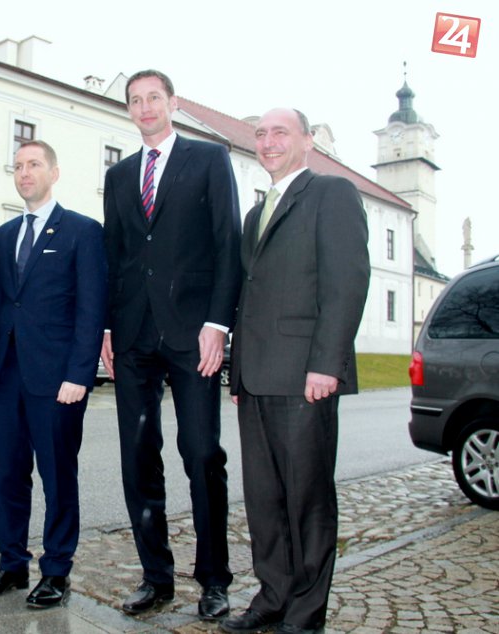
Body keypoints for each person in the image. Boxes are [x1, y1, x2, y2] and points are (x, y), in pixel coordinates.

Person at [221, 108, 370, 634]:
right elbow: (248, 296)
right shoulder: (254, 214)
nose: (268, 141)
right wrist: (238, 372)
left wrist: (327, 364)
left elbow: (346, 283)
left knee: (307, 499)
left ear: (308, 141)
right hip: (256, 378)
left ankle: (305, 615)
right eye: (260, 133)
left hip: (306, 377)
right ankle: (273, 596)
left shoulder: (332, 194)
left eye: (280, 132)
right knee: (264, 499)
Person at [101, 69, 242, 619]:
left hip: (193, 334)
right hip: (134, 334)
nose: (145, 107)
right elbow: (115, 254)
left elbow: (227, 242)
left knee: (202, 453)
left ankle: (214, 579)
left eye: (153, 97)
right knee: (138, 457)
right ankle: (155, 576)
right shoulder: (118, 176)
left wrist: (218, 324)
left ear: (172, 102)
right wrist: (108, 328)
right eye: (135, 100)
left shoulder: (208, 159)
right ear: (129, 109)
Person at [0, 140, 107, 608]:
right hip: (7, 376)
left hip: (58, 380)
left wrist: (80, 373)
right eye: (18, 166)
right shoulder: (3, 235)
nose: (25, 172)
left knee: (57, 476)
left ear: (54, 172)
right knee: (8, 475)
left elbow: (91, 309)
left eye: (34, 164)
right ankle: (11, 563)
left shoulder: (82, 231)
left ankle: (56, 570)